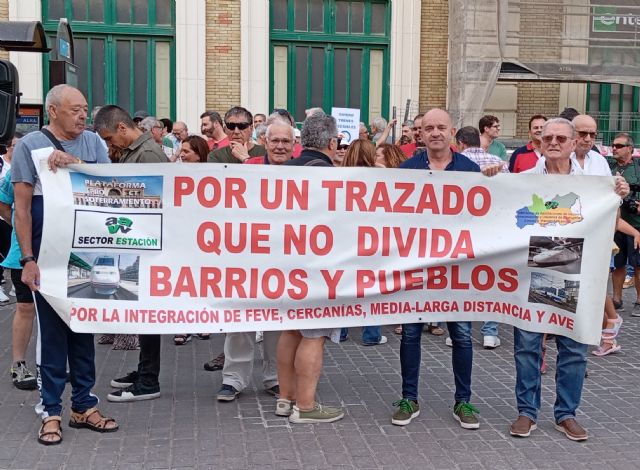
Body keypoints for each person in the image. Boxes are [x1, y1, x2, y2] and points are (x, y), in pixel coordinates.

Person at [510, 117, 628, 442]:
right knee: (528, 346)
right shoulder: (522, 180)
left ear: (574, 143)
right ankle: (526, 412)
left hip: (577, 270)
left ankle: (566, 414)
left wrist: (619, 192)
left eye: (562, 138)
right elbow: (504, 213)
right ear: (539, 142)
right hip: (532, 270)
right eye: (548, 137)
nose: (554, 143)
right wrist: (491, 179)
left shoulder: (593, 181)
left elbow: (611, 216)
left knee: (574, 348)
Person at [12, 84, 118, 445]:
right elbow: (22, 209)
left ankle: (84, 405)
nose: (83, 116)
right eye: (75, 109)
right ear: (53, 111)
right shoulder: (29, 146)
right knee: (53, 335)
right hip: (46, 256)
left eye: (85, 109)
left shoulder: (92, 144)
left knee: (83, 329)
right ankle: (51, 410)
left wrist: (75, 164)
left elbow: (111, 187)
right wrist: (27, 259)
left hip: (86, 254)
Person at [392, 108, 481, 429]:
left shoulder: (470, 171)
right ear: (421, 134)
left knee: (461, 335)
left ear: (452, 131)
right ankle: (409, 397)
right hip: (417, 267)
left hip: (457, 269)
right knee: (411, 334)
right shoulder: (407, 169)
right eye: (428, 128)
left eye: (441, 127)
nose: (434, 133)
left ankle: (464, 402)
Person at [92, 105, 169, 403]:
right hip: (140, 241)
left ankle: (149, 379)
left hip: (147, 242)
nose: (111, 144)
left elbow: (153, 199)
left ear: (123, 129)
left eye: (111, 138)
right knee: (143, 313)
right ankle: (144, 371)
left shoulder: (147, 153)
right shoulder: (136, 150)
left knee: (148, 314)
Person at [276, 112, 344, 423]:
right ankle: (305, 407)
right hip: (317, 266)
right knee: (314, 334)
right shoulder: (327, 174)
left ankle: (284, 398)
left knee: (290, 329)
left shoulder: (283, 169)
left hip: (287, 263)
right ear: (332, 142)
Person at [0, 133, 37, 390]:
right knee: (25, 308)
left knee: (58, 310)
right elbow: (4, 204)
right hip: (21, 254)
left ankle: (59, 361)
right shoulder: (10, 176)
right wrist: (17, 225)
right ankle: (19, 364)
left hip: (53, 252)